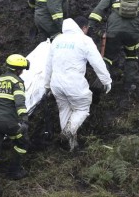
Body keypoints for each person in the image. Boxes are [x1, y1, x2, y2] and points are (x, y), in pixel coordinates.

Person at [45, 17, 112, 152]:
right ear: (84, 28)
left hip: (56, 84)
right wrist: (106, 81)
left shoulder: (57, 40)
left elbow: (48, 65)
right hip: (74, 84)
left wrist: (47, 85)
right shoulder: (85, 40)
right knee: (82, 109)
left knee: (65, 110)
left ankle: (71, 147)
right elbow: (97, 62)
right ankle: (66, 134)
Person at [0, 54, 30, 197]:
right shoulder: (17, 81)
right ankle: (14, 171)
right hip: (8, 123)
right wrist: (24, 119)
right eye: (22, 69)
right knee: (23, 141)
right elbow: (19, 102)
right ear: (18, 70)